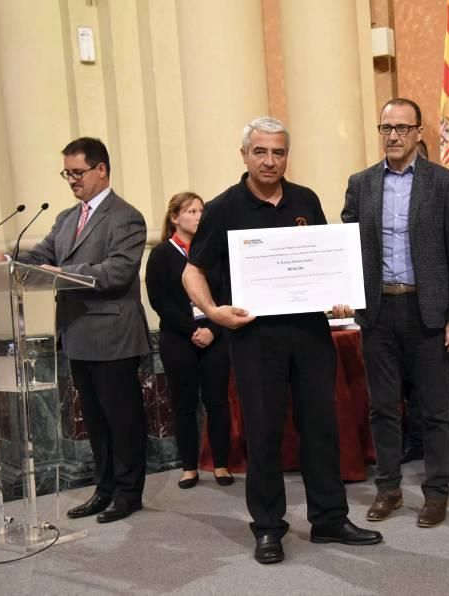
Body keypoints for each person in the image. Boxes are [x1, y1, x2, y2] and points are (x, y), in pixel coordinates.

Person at [182, 117, 381, 564]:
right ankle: (269, 527)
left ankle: (329, 519)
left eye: (279, 152)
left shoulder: (305, 199)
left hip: (311, 334)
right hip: (255, 338)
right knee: (264, 433)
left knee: (321, 429)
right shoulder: (222, 208)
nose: (270, 161)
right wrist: (214, 313)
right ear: (245, 155)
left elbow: (327, 262)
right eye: (261, 152)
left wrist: (341, 297)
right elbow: (192, 270)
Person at [0, 137, 150, 523]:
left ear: (101, 169)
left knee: (122, 419)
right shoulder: (65, 218)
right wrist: (7, 259)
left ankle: (129, 494)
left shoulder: (126, 216)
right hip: (76, 334)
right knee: (95, 420)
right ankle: (105, 488)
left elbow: (119, 271)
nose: (72, 180)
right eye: (67, 173)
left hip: (113, 335)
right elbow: (42, 257)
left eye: (77, 172)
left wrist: (66, 272)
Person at [342, 98, 449, 528]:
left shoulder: (444, 182)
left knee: (435, 409)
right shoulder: (360, 184)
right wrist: (341, 291)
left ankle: (436, 493)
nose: (393, 135)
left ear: (418, 132)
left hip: (427, 311)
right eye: (385, 127)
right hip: (378, 312)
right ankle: (389, 489)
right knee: (382, 407)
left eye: (402, 127)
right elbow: (346, 249)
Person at [145, 192, 233, 489]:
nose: (198, 217)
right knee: (183, 404)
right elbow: (159, 300)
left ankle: (221, 464)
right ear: (174, 218)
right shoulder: (161, 254)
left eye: (201, 211)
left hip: (215, 335)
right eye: (191, 211)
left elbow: (226, 294)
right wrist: (191, 329)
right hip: (179, 338)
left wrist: (212, 328)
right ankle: (189, 467)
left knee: (218, 402)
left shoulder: (212, 250)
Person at [401, 138, 449, 472]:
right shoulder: (387, 195)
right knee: (411, 379)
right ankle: (416, 441)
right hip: (400, 304)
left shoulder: (444, 187)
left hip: (440, 307)